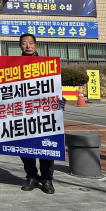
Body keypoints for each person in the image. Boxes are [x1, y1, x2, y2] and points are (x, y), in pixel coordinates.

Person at [17, 33, 60, 195]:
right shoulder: (12, 65)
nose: (28, 46)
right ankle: (31, 177)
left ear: (36, 45)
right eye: (24, 43)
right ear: (20, 46)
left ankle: (46, 179)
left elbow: (55, 86)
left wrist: (59, 101)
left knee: (46, 145)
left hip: (44, 112)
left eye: (30, 43)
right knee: (24, 146)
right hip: (22, 111)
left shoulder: (47, 64)